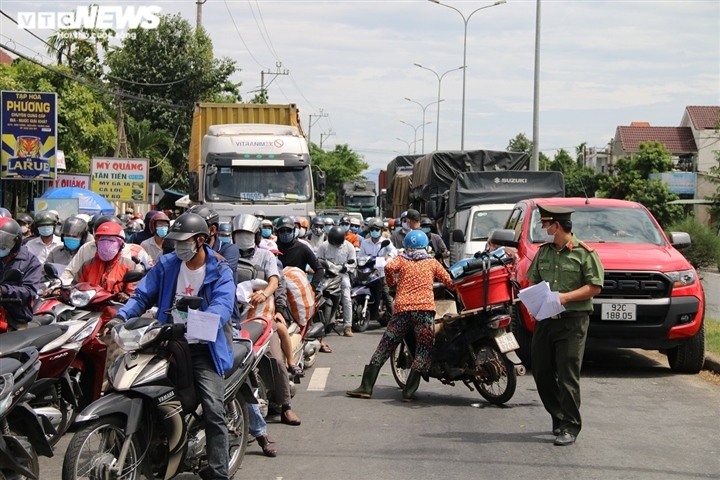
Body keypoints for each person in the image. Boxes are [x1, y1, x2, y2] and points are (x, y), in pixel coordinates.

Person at [112, 212, 277, 474]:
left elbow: (223, 304)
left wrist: (204, 320)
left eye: (184, 242)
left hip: (203, 349)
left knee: (214, 410)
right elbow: (142, 294)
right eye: (175, 242)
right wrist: (121, 316)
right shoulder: (167, 264)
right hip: (166, 342)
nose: (178, 247)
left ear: (201, 240)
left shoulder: (221, 269)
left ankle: (219, 472)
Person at [526, 205, 604, 447]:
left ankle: (570, 425)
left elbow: (595, 286)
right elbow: (533, 280)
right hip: (546, 321)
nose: (543, 229)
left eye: (545, 225)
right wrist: (532, 301)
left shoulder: (585, 253)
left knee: (568, 374)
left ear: (556, 226)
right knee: (541, 370)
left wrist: (565, 297)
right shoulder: (543, 252)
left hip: (573, 322)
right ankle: (558, 416)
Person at [346, 230, 455, 402]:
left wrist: (392, 284)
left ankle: (366, 387)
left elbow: (388, 267)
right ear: (425, 246)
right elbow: (449, 281)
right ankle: (409, 392)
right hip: (424, 311)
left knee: (386, 345)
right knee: (423, 350)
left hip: (402, 310)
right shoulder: (431, 262)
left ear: (407, 246)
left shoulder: (403, 259)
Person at [232, 214, 301, 426]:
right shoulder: (228, 254)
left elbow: (273, 281)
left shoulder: (266, 256)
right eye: (239, 234)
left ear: (256, 235)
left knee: (276, 360)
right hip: (233, 314)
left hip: (261, 314)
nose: (243, 238)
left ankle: (287, 406)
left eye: (247, 234)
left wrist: (264, 294)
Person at [0, 217, 42, 329]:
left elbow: (28, 292)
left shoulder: (31, 262)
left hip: (15, 318)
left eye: (4, 241)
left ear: (16, 241)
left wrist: (3, 290)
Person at [317, 225, 356, 337]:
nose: (334, 245)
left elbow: (353, 263)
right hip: (327, 274)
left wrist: (347, 268)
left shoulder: (349, 247)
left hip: (342, 274)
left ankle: (347, 326)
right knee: (317, 291)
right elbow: (318, 259)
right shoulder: (324, 246)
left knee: (346, 295)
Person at [358, 218, 396, 321]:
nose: (374, 231)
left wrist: (388, 255)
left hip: (381, 272)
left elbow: (393, 251)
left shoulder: (385, 242)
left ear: (381, 230)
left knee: (386, 293)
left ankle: (393, 318)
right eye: (372, 229)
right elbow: (360, 255)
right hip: (368, 271)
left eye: (377, 229)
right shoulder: (365, 242)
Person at [275, 216, 325, 291]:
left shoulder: (302, 248)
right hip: (277, 288)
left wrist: (311, 288)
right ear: (277, 232)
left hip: (298, 290)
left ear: (294, 231)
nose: (285, 233)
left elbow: (319, 270)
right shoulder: (273, 248)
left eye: (288, 230)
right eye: (282, 230)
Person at [186, 205, 239, 276]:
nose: (191, 234)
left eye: (196, 228)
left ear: (212, 230)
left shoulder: (230, 249)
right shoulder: (186, 250)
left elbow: (223, 273)